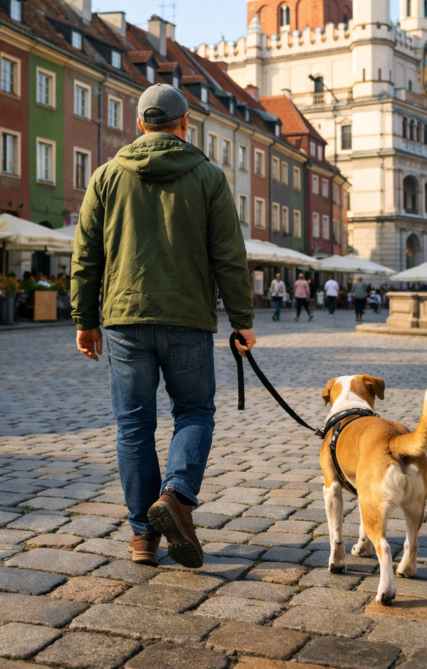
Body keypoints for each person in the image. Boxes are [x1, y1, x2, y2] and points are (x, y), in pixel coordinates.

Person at [72, 82, 255, 572]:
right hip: (188, 319)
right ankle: (176, 495)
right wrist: (242, 321)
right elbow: (230, 258)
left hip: (125, 320)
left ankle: (142, 539)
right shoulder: (209, 176)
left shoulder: (107, 175)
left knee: (133, 426)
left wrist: (84, 320)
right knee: (194, 411)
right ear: (184, 124)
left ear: (138, 124)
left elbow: (86, 255)